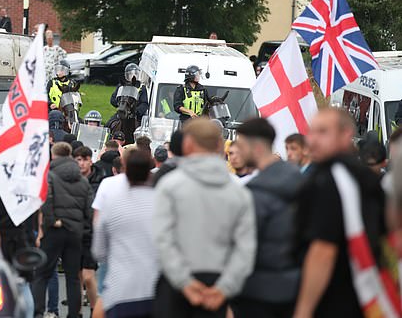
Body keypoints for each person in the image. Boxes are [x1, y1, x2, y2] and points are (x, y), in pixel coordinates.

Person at [152, 118, 256, 318]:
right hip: (217, 286)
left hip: (174, 284)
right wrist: (225, 288)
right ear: (219, 145)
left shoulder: (170, 185)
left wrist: (185, 282)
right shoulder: (239, 191)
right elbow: (245, 248)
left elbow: (162, 239)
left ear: (187, 143)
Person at [293, 108, 386, 318]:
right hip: (369, 296)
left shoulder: (330, 180)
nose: (313, 140)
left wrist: (304, 309)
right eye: (311, 132)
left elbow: (323, 251)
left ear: (346, 135)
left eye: (323, 132)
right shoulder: (364, 176)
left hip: (334, 297)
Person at [232, 118, 303, 317]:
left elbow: (243, 247)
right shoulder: (299, 179)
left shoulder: (255, 192)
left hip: (257, 293)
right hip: (293, 287)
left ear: (255, 147)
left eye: (241, 145)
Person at [92, 149, 158, 318]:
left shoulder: (112, 203)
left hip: (121, 289)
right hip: (156, 289)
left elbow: (99, 251)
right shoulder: (163, 203)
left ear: (125, 170)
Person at [33, 142, 93, 318]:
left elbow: (46, 200)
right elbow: (88, 209)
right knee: (73, 276)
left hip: (54, 230)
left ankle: (38, 312)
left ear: (54, 155)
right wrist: (82, 227)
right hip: (75, 231)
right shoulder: (83, 181)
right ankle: (74, 314)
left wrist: (52, 221)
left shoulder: (50, 176)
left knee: (42, 274)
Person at [73, 146, 103, 310]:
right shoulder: (71, 180)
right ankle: (76, 311)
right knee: (76, 277)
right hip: (74, 232)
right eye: (78, 160)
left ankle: (94, 309)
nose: (82, 163)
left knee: (88, 276)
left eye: (85, 160)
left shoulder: (100, 181)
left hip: (91, 234)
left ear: (91, 161)